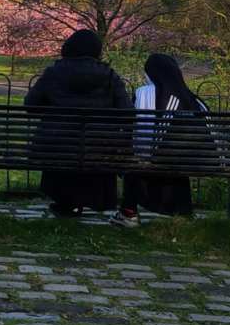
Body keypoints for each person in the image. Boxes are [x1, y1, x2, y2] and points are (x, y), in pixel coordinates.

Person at [24, 28, 132, 216]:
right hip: (99, 146)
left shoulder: (54, 72)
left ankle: (66, 203)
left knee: (63, 143)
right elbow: (127, 113)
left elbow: (30, 105)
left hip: (58, 147)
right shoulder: (109, 75)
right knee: (94, 145)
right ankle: (89, 200)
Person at [111, 53, 205, 228]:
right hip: (192, 162)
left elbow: (136, 134)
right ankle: (182, 212)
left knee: (138, 157)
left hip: (154, 159)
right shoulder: (192, 99)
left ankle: (128, 212)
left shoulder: (144, 94)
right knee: (169, 156)